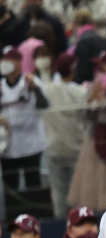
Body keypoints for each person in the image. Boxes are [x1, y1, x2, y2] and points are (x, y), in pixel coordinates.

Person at [67, 50, 106, 212]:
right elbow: (80, 115)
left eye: (104, 66)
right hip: (92, 142)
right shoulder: (93, 86)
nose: (100, 70)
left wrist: (105, 103)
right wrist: (91, 99)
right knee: (90, 184)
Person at [0, 46, 49, 204]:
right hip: (8, 146)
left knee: (33, 185)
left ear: (19, 62)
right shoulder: (0, 86)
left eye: (10, 59)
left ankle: (38, 220)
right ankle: (13, 222)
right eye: (4, 59)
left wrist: (34, 87)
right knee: (11, 189)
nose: (6, 63)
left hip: (31, 143)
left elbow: (44, 106)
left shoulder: (30, 81)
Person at [42, 53, 88, 218]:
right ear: (73, 70)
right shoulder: (79, 92)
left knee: (59, 194)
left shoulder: (46, 90)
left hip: (55, 148)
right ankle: (79, 223)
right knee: (79, 193)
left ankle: (60, 225)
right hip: (77, 149)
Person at [72, 8, 106, 84]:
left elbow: (83, 70)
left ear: (76, 24)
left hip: (89, 85)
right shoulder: (101, 39)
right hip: (102, 82)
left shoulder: (83, 41)